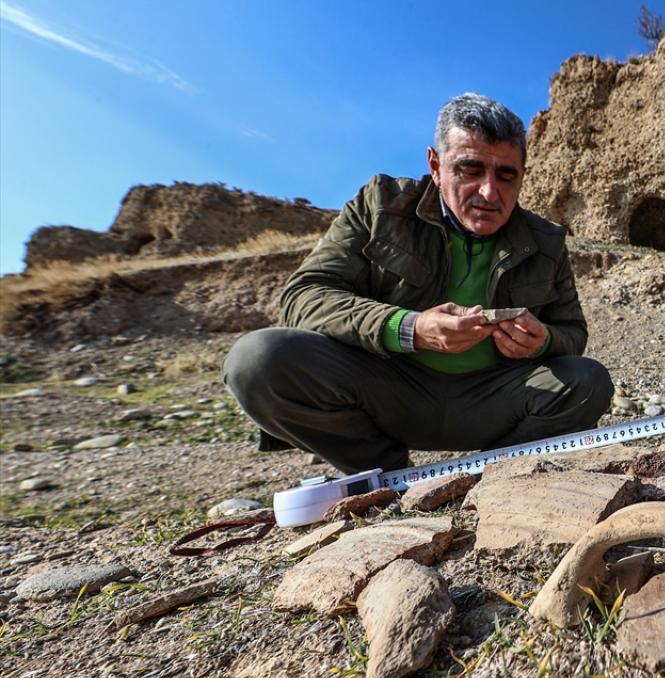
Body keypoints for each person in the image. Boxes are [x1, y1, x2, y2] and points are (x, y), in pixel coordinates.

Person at [223, 93, 613, 474]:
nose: (489, 192)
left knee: (587, 381)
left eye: (506, 175)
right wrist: (410, 328)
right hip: (387, 389)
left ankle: (490, 476)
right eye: (470, 169)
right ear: (436, 165)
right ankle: (385, 471)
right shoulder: (380, 206)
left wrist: (542, 340)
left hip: (494, 398)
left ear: (522, 176)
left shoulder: (546, 241)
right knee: (257, 360)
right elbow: (305, 296)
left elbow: (572, 332)